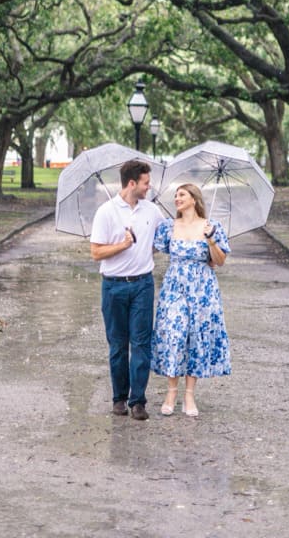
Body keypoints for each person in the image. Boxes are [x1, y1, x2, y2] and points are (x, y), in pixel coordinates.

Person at [89, 159, 163, 421]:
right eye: (145, 182)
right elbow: (96, 252)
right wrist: (123, 245)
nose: (149, 187)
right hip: (114, 287)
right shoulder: (106, 212)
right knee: (118, 345)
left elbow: (162, 240)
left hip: (143, 284)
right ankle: (119, 398)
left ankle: (138, 401)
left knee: (142, 344)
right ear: (132, 183)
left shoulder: (152, 211)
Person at [151, 182, 231, 417]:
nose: (177, 198)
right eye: (176, 195)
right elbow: (153, 248)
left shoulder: (211, 226)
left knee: (196, 337)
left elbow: (220, 260)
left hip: (202, 289)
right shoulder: (168, 226)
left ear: (194, 199)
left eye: (182, 195)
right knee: (174, 335)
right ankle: (171, 392)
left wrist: (211, 240)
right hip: (175, 287)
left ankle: (189, 395)